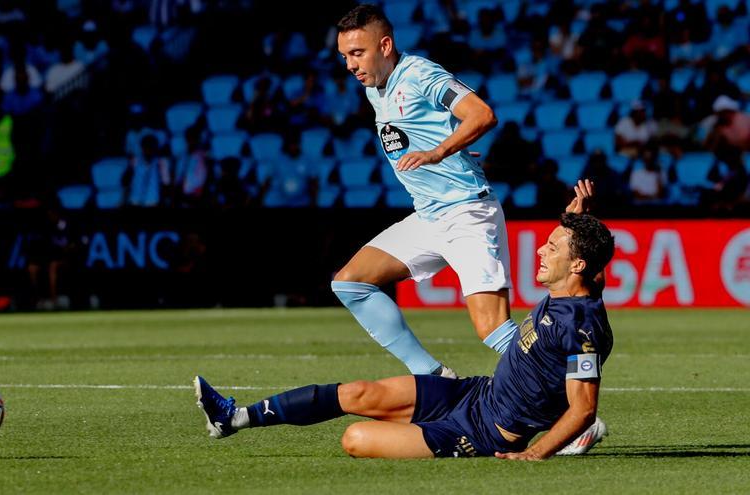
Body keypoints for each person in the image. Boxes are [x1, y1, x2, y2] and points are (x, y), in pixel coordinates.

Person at [195, 212, 615, 460]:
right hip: (473, 395)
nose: (541, 251)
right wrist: (578, 217)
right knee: (359, 393)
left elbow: (582, 407)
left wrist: (534, 453)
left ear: (576, 265)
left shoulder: (581, 327)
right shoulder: (569, 291)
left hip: (485, 432)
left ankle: (562, 444)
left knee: (355, 439)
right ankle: (234, 419)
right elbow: (585, 256)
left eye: (553, 248)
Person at [330, 4, 554, 379]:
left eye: (357, 53)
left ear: (385, 45)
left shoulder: (420, 73)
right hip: (429, 215)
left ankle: (574, 407)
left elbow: (481, 114)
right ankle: (434, 376)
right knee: (350, 283)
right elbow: (423, 128)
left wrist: (440, 151)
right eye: (344, 56)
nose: (350, 65)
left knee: (493, 330)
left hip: (466, 212)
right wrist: (449, 146)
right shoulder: (375, 88)